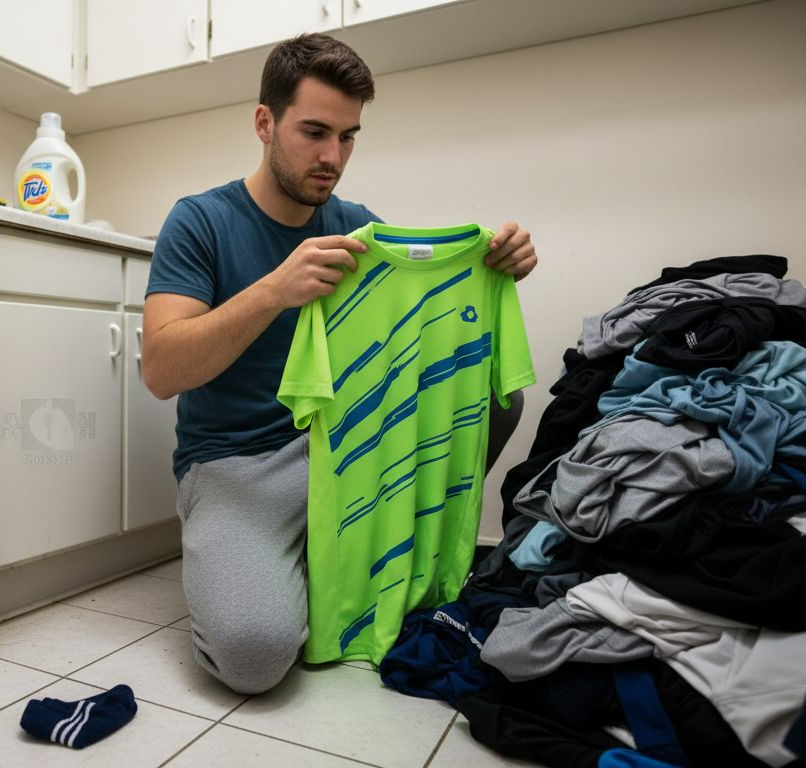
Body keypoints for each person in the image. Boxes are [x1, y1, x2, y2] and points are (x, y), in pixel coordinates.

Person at [141, 33, 539, 695]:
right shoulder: (199, 222)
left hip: (348, 449)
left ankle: (372, 553)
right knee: (255, 657)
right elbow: (161, 369)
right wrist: (274, 290)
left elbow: (424, 342)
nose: (333, 157)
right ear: (264, 122)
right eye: (315, 132)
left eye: (349, 137)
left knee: (501, 398)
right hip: (239, 467)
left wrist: (497, 267)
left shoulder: (358, 226)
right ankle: (269, 557)